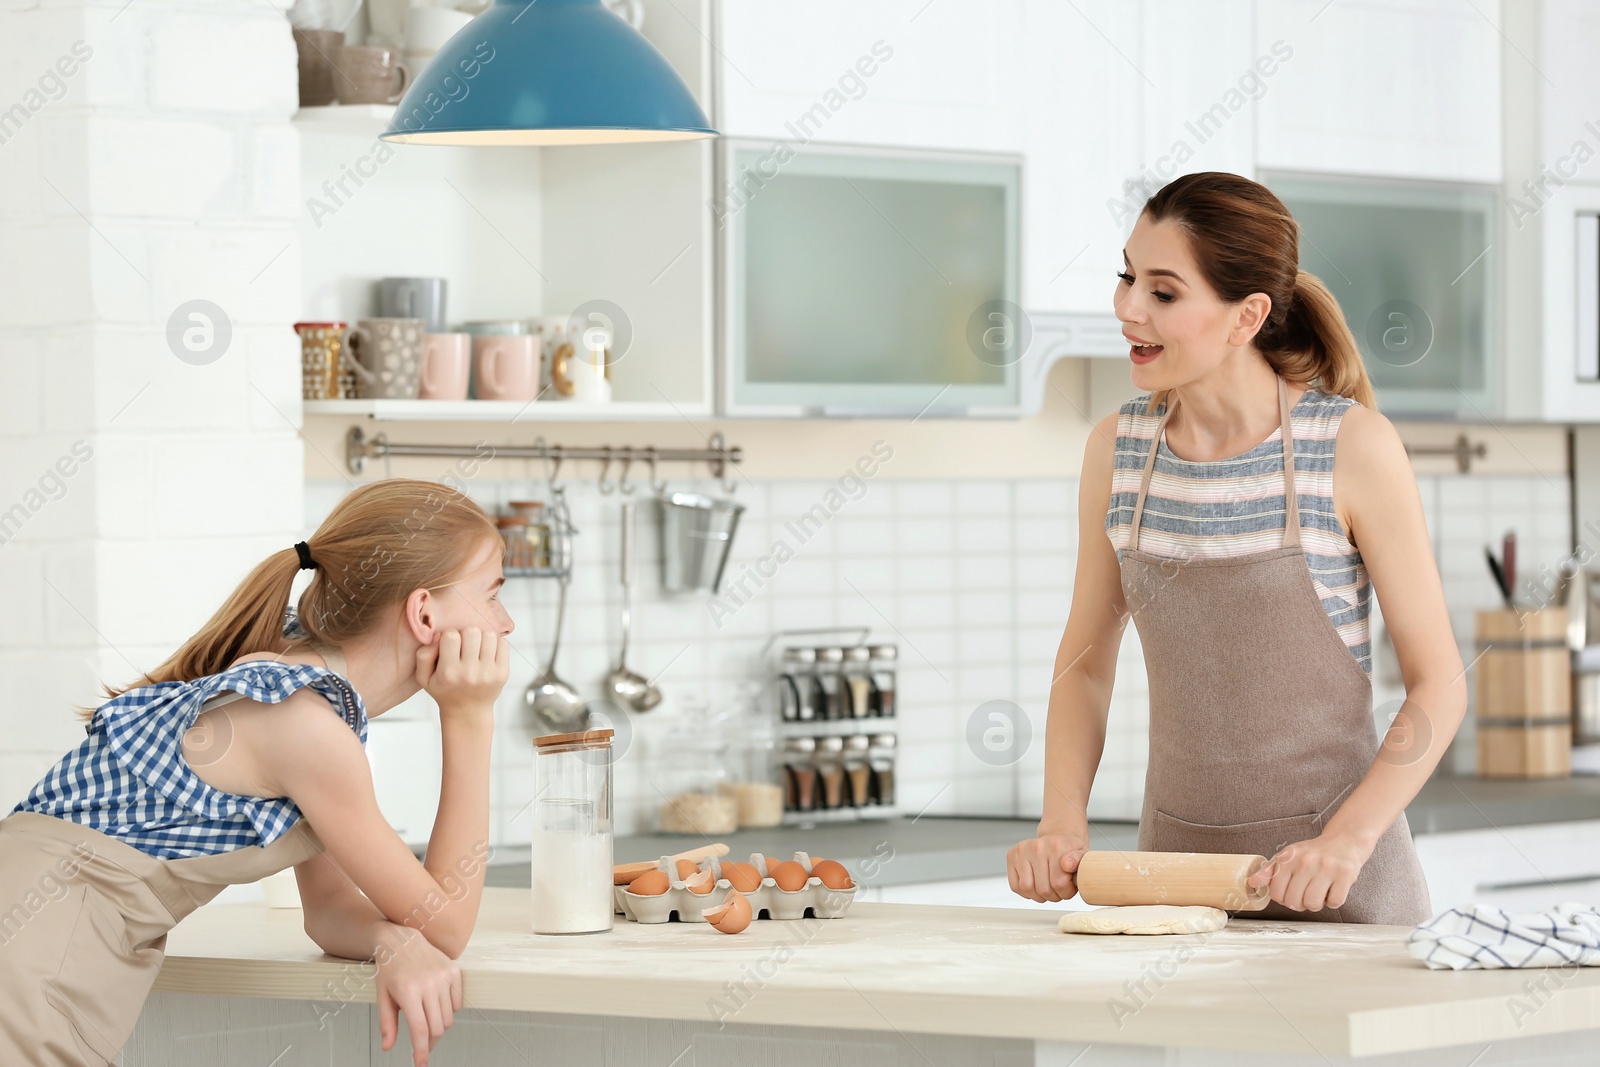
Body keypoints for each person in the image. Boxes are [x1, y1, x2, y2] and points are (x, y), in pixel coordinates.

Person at [1006, 172, 1465, 924]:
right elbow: (1086, 661)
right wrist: (1062, 820)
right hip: (1176, 893)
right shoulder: (1118, 451)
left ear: (1247, 315)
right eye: (1127, 277)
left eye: (1163, 291)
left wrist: (1346, 841)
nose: (1127, 308)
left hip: (1343, 893)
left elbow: (1439, 683)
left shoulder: (1348, 446)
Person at [0, 478, 512, 1067]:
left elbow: (325, 912)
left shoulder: (301, 687)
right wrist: (470, 719)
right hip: (36, 955)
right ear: (424, 613)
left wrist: (387, 937)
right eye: (492, 595)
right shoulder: (304, 724)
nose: (505, 626)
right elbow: (445, 926)